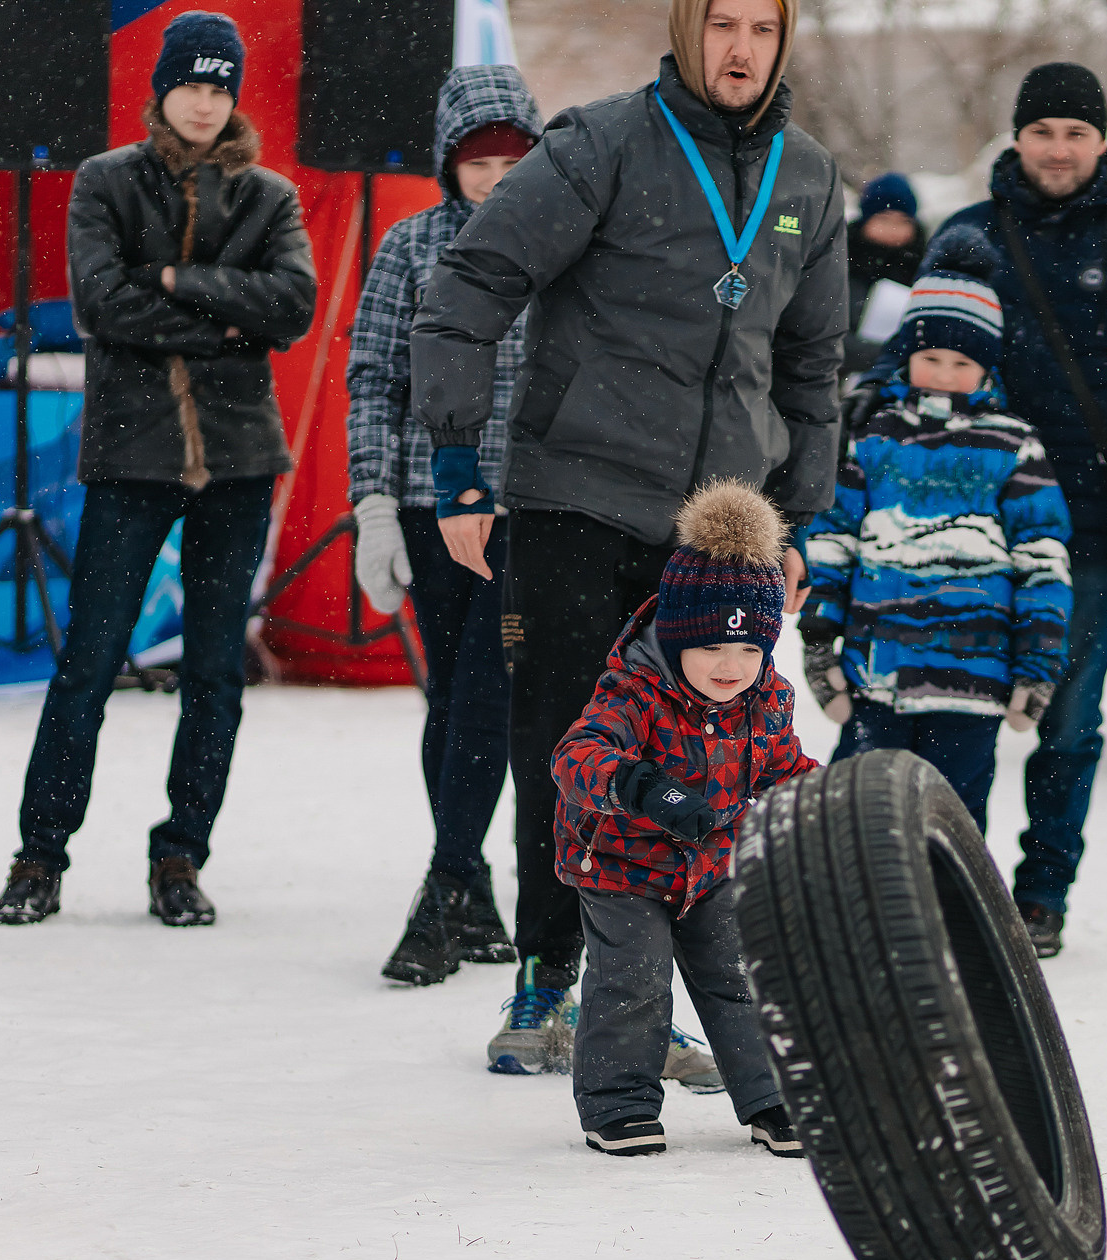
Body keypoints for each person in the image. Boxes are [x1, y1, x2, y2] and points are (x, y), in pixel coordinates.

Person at [409, 0, 845, 1070]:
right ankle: (547, 976)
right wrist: (460, 470)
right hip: (576, 501)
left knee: (702, 761)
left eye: (763, 28)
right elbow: (474, 280)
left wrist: (801, 516)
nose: (742, 48)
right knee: (568, 743)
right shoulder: (602, 143)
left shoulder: (813, 180)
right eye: (724, 24)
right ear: (688, 28)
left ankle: (649, 992)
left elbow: (813, 361)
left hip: (717, 530)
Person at [854, 62, 1107, 957]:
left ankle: (1042, 890)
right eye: (1042, 131)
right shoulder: (968, 236)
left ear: (1102, 141)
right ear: (1016, 138)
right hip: (955, 527)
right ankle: (929, 878)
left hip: (1086, 527)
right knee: (935, 712)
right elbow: (912, 352)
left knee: (1065, 717)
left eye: (1076, 133)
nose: (1058, 149)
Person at [0, 10, 316, 928]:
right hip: (132, 457)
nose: (207, 102)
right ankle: (39, 854)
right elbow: (100, 306)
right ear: (162, 89)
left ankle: (181, 857)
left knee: (214, 673)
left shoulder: (270, 196)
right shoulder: (105, 182)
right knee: (88, 662)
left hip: (241, 461)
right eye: (193, 84)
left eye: (221, 87)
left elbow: (291, 306)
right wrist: (227, 319)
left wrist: (174, 281)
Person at [346, 66, 541, 986]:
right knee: (452, 700)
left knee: (488, 693)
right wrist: (373, 502)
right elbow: (374, 380)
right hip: (432, 505)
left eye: (514, 157)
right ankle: (473, 886)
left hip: (528, 513)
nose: (496, 175)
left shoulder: (565, 244)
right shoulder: (409, 246)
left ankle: (442, 889)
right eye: (477, 160)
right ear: (447, 164)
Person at [552, 481, 815, 1157]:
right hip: (620, 864)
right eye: (713, 650)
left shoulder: (766, 700)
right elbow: (576, 757)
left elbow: (783, 765)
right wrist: (640, 786)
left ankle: (773, 1099)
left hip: (713, 863)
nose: (732, 668)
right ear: (673, 638)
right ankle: (619, 1105)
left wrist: (831, 796)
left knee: (742, 973)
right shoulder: (633, 693)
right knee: (633, 980)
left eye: (751, 652)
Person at [799, 230, 1072, 832]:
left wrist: (1038, 665)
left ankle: (950, 922)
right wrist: (820, 639)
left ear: (986, 366)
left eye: (962, 362)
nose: (945, 373)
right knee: (859, 813)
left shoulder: (1013, 444)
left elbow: (1042, 558)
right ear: (907, 356)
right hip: (880, 676)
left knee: (952, 820)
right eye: (931, 358)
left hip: (972, 682)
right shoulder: (876, 437)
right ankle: (855, 919)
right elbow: (833, 538)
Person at [844, 172, 925, 372]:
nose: (893, 229)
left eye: (903, 221)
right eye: (884, 219)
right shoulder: (840, 265)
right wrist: (890, 355)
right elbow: (824, 337)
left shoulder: (925, 268)